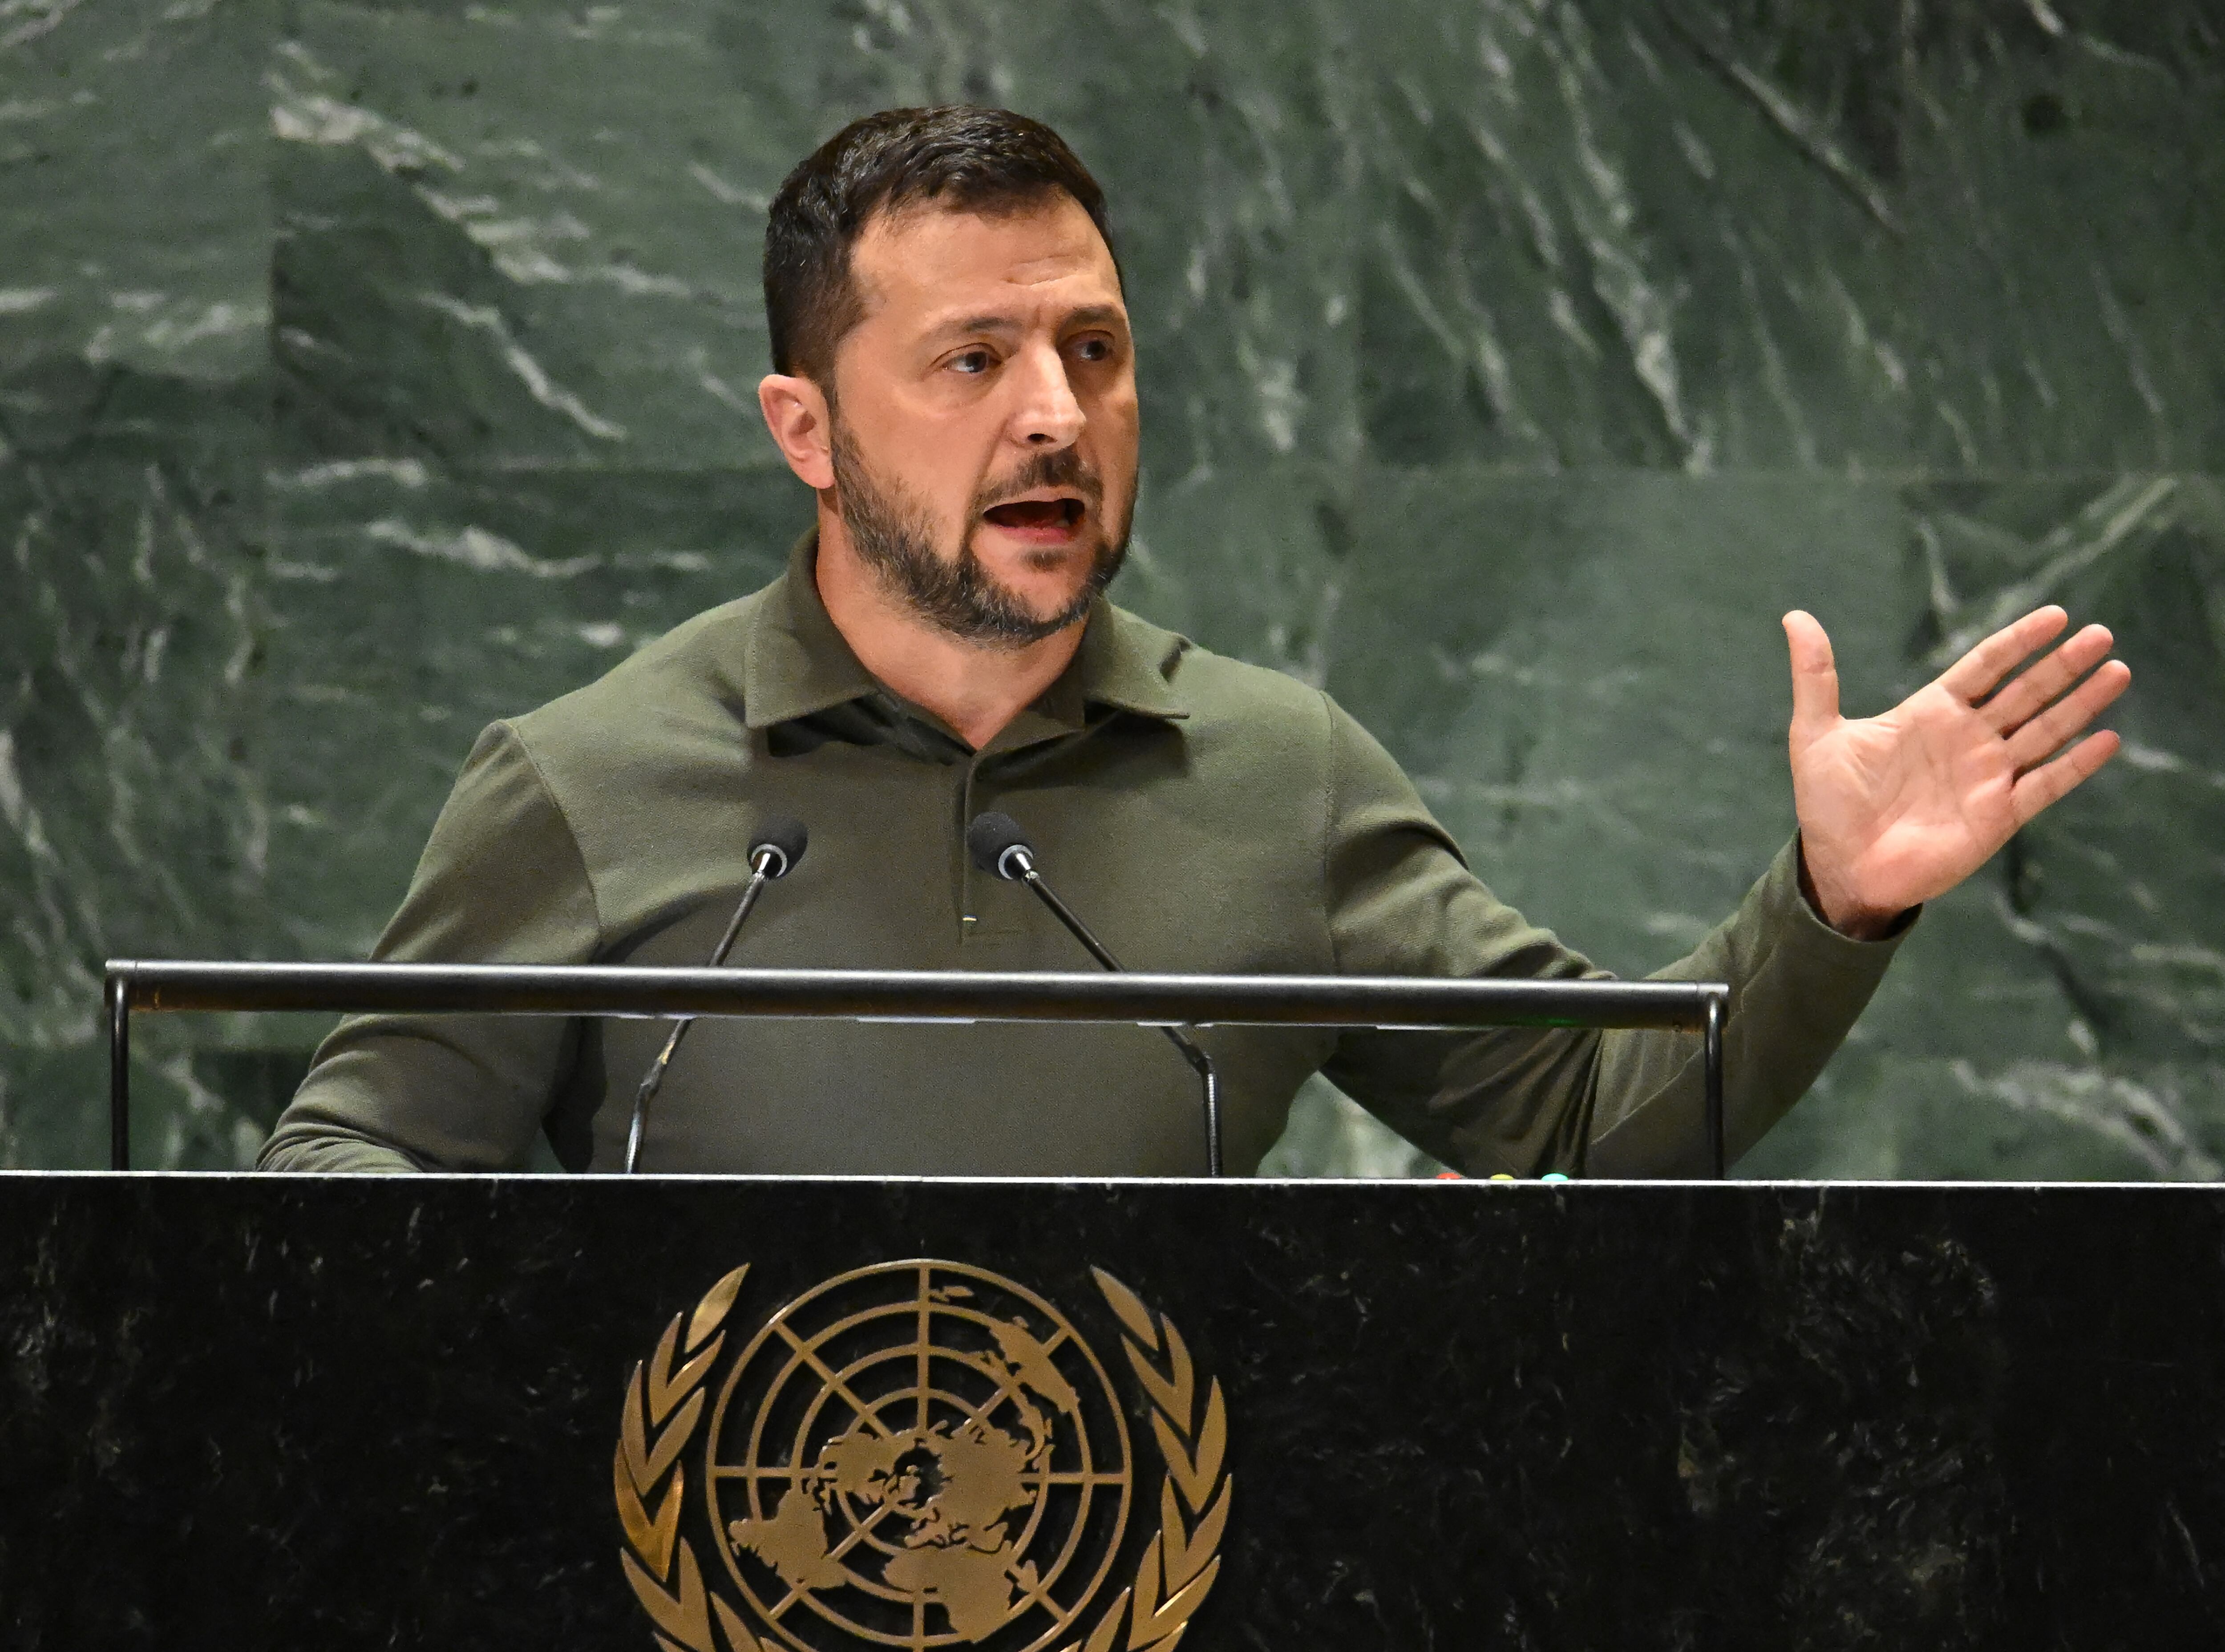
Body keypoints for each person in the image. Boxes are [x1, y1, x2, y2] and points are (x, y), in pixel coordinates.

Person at [258, 106, 2128, 1178]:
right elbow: (338, 1189)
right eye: (972, 362)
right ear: (805, 430)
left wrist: (1829, 898)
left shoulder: (1273, 779)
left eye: (1092, 348)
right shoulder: (585, 781)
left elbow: (1579, 1117)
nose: (1056, 414)